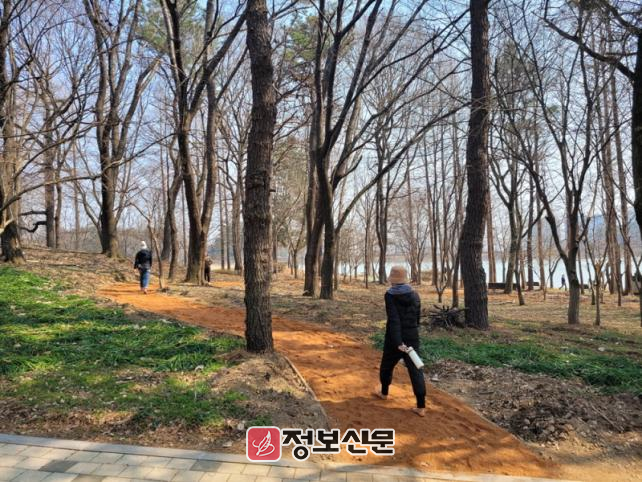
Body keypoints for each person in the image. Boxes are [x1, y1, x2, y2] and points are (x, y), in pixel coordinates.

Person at [375, 265, 427, 417]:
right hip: (412, 336)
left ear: (393, 279)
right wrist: (412, 333)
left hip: (394, 339)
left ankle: (384, 393)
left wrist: (398, 342)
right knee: (416, 369)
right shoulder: (415, 295)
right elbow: (417, 318)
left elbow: (394, 320)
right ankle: (421, 406)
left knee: (387, 365)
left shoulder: (390, 295)